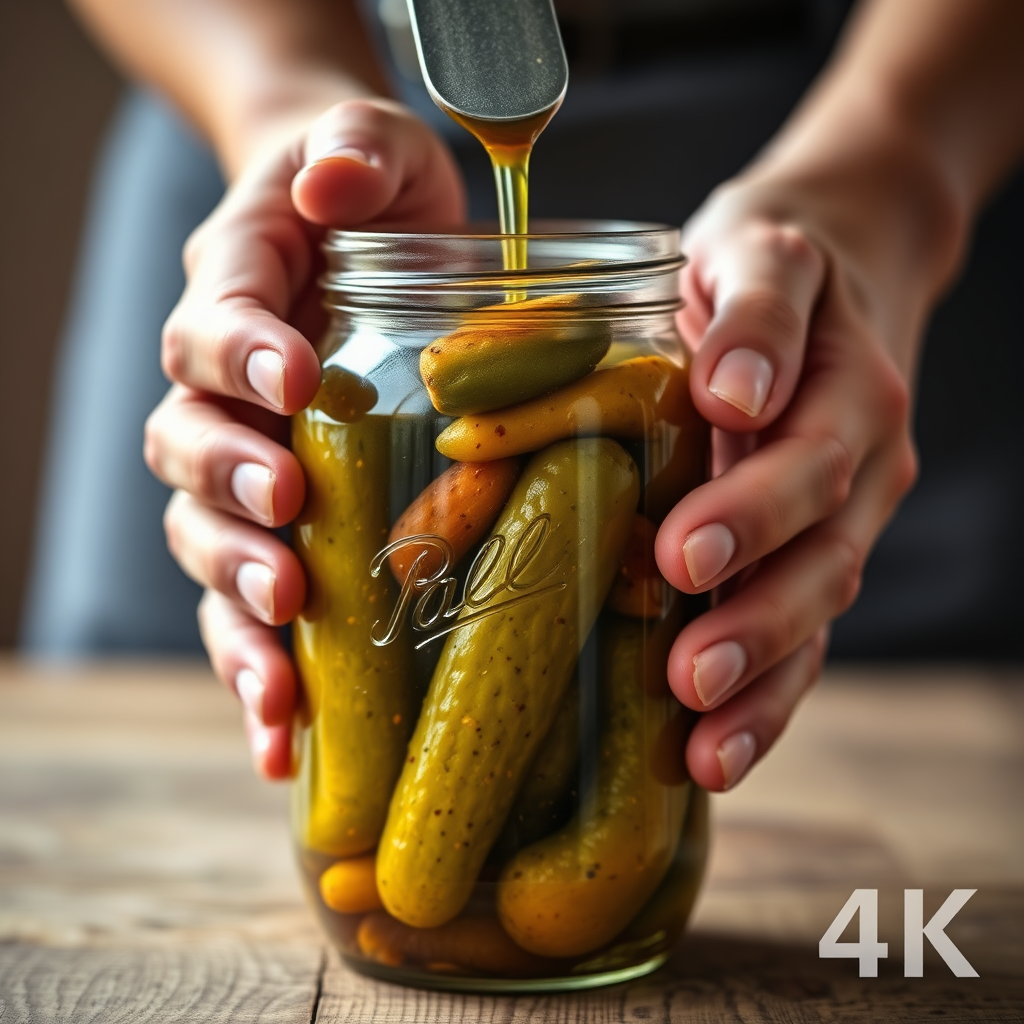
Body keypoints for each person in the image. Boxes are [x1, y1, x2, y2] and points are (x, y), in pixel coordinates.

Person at [24, 0, 1024, 789]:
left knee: (932, 755)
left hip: (874, 111)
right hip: (296, 150)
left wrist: (891, 172)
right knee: (153, 731)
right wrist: (280, 97)